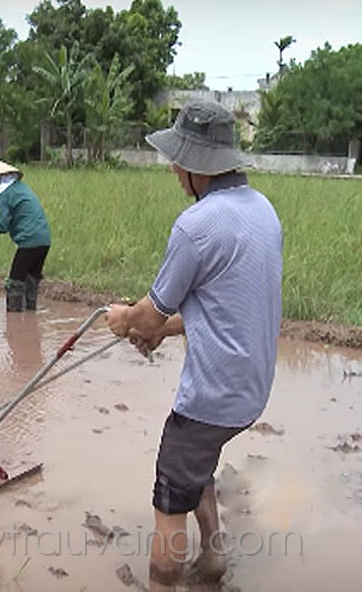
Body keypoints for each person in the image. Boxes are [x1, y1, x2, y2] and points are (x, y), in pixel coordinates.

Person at [104, 99, 283, 591]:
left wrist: (126, 321)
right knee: (196, 462)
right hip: (252, 388)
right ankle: (214, 558)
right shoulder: (262, 211)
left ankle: (164, 580)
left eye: (175, 162)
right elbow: (224, 309)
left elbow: (149, 313)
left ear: (190, 166)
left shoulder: (196, 226)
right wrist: (161, 330)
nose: (173, 170)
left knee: (168, 497)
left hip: (212, 398)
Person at [0, 160, 51, 312]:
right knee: (31, 280)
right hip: (44, 241)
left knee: (15, 282)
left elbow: (3, 224)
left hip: (28, 242)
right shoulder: (22, 188)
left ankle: (14, 322)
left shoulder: (5, 194)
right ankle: (31, 316)